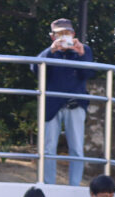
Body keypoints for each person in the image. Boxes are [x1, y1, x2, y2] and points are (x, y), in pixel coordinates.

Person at [37, 17, 94, 187]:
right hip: (52, 105)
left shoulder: (83, 50)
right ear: (52, 36)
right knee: (48, 148)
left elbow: (89, 74)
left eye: (67, 32)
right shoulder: (48, 52)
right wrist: (51, 51)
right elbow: (35, 69)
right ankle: (48, 184)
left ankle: (75, 185)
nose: (64, 36)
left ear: (73, 34)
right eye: (59, 33)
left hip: (75, 103)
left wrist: (81, 54)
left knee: (77, 148)